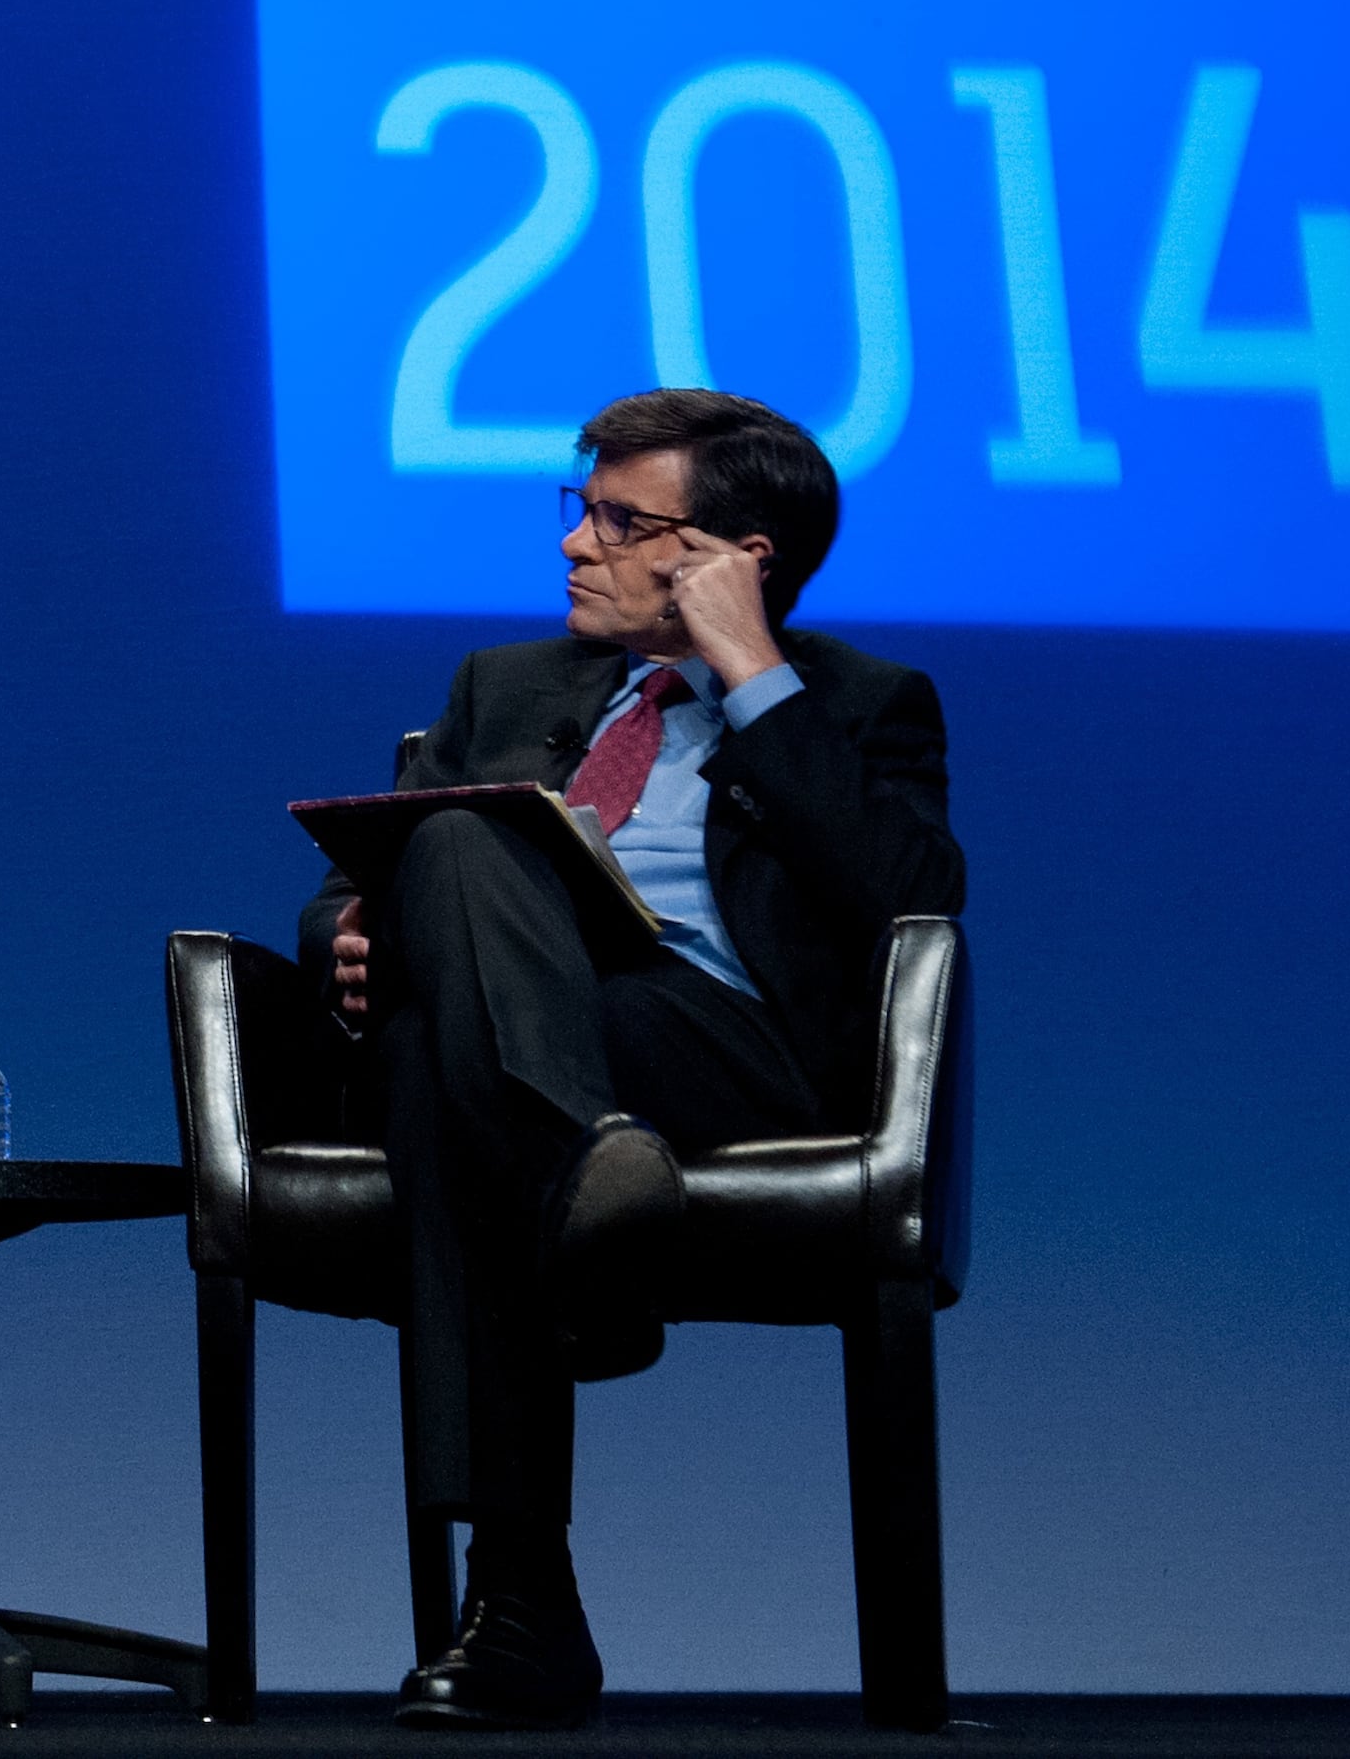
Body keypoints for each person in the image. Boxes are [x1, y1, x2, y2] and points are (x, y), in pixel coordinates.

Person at [304, 389, 966, 1730]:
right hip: (532, 1034)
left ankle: (523, 1603)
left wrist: (752, 677)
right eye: (580, 509)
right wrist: (346, 934)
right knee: (451, 875)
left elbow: (912, 895)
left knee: (451, 1062)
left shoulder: (858, 703)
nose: (576, 545)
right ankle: (579, 1173)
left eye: (620, 520)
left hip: (716, 1042)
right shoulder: (504, 685)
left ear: (736, 555)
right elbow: (343, 880)